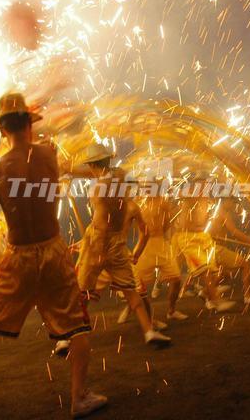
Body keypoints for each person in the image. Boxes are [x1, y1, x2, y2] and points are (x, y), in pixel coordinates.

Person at [0, 93, 106, 418]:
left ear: (2, 131)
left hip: (18, 258)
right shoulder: (49, 155)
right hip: (52, 252)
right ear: (30, 126)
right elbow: (57, 175)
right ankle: (79, 397)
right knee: (76, 326)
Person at [56, 144, 171, 355]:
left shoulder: (98, 188)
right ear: (108, 161)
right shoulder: (119, 176)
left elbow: (100, 224)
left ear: (91, 165)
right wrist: (68, 171)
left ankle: (65, 339)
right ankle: (148, 332)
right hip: (117, 245)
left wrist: (65, 170)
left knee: (81, 294)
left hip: (98, 244)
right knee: (130, 291)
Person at [171, 173, 236, 313]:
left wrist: (206, 230)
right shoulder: (189, 199)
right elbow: (183, 224)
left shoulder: (206, 199)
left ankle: (208, 297)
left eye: (207, 185)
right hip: (188, 240)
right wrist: (200, 228)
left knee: (212, 272)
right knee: (205, 271)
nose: (206, 187)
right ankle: (217, 302)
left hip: (203, 238)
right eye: (202, 185)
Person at [118, 194, 187, 324]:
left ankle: (171, 311)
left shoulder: (162, 201)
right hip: (145, 246)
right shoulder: (136, 202)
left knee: (176, 279)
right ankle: (130, 307)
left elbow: (167, 223)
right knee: (137, 284)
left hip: (161, 244)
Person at [210, 196, 250, 304]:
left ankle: (206, 292)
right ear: (225, 200)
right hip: (216, 248)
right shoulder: (223, 213)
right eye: (232, 201)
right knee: (245, 264)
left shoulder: (214, 211)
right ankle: (248, 296)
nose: (234, 205)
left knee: (225, 274)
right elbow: (234, 232)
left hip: (211, 248)